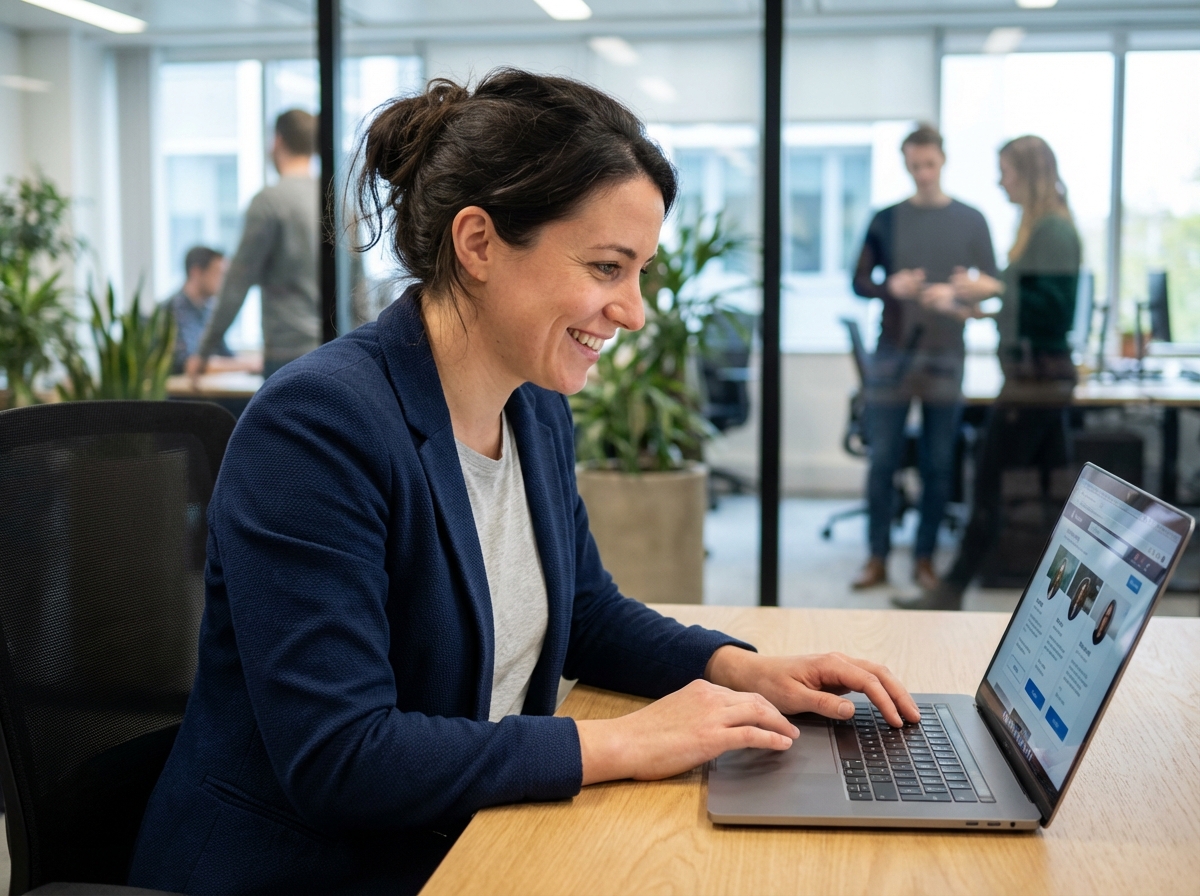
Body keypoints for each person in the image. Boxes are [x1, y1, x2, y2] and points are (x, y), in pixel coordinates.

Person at [128, 70, 920, 895]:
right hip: (307, 869)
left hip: (471, 833)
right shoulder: (318, 427)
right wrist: (624, 744)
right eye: (609, 267)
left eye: (640, 271)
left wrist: (739, 668)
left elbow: (583, 611)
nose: (635, 309)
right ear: (477, 244)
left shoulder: (533, 407)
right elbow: (341, 756)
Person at [896, 135, 1081, 611]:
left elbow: (1054, 312)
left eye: (1007, 171)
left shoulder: (1053, 231)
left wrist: (993, 287)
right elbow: (1030, 307)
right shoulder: (1039, 226)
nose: (1000, 181)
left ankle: (950, 591)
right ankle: (1051, 598)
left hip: (1037, 381)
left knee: (991, 482)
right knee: (1053, 497)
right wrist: (975, 309)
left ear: (1029, 173)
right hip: (1035, 376)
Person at [850, 124, 997, 591]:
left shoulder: (971, 220)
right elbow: (858, 281)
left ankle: (925, 558)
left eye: (929, 164)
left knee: (938, 463)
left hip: (945, 355)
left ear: (943, 160)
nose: (922, 173)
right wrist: (888, 286)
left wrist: (956, 296)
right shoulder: (886, 218)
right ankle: (876, 557)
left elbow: (992, 290)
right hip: (892, 355)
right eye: (914, 166)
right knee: (882, 461)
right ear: (906, 164)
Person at [186, 109, 320, 383]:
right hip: (337, 348)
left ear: (277, 142)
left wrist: (204, 352)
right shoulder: (339, 198)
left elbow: (237, 282)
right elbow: (358, 286)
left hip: (287, 356)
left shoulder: (269, 202)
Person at [161, 246, 262, 376]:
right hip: (185, 393)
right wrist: (247, 365)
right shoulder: (173, 311)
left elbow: (225, 354)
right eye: (219, 273)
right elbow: (189, 364)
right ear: (196, 272)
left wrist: (251, 363)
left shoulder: (207, 310)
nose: (224, 281)